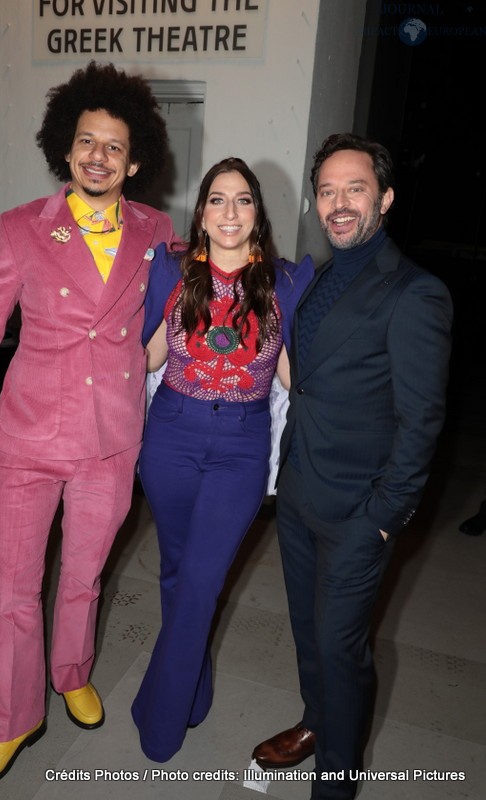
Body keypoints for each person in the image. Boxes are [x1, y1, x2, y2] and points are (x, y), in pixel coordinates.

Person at [0, 61, 177, 792]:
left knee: (82, 578)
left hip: (111, 441)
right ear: (65, 147)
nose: (98, 156)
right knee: (17, 590)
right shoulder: (21, 229)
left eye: (114, 146)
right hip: (24, 440)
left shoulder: (155, 231)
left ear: (134, 159)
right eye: (87, 141)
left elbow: (176, 317)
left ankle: (71, 671)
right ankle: (12, 719)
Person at [251, 133, 453, 800]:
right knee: (309, 634)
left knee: (342, 651)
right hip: (302, 492)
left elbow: (421, 422)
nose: (339, 203)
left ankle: (334, 785)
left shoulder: (416, 294)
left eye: (355, 188)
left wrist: (383, 521)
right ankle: (315, 722)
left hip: (359, 514)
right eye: (329, 190)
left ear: (385, 198)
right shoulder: (320, 273)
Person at [130, 156, 315, 762]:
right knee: (177, 574)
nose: (229, 211)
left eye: (242, 200)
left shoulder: (286, 282)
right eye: (217, 199)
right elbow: (150, 360)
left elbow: (293, 375)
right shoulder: (173, 272)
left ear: (257, 213)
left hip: (240, 445)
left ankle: (157, 720)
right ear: (202, 213)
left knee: (202, 583)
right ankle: (195, 694)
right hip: (172, 438)